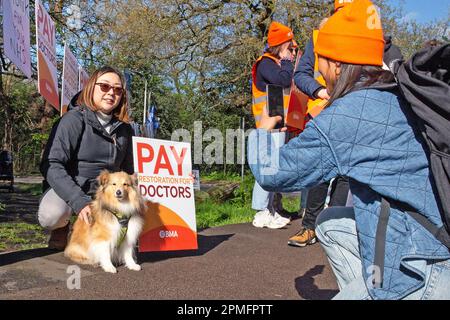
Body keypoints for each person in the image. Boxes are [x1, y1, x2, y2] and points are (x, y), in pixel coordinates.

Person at [248, 0, 450, 300]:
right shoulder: (396, 92)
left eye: (321, 61)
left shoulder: (349, 115)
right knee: (329, 222)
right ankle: (370, 287)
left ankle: (384, 291)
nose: (320, 70)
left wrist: (262, 132)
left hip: (417, 270)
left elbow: (274, 173)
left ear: (337, 64)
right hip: (434, 241)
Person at [38, 66, 134, 250]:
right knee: (52, 215)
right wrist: (78, 201)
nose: (111, 93)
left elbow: (129, 170)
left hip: (107, 191)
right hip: (73, 186)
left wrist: (174, 179)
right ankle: (62, 226)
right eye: (104, 86)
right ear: (91, 88)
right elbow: (51, 164)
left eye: (117, 89)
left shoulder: (125, 130)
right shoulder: (72, 120)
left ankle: (95, 229)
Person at [250, 21, 296, 229]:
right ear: (281, 45)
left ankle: (271, 209)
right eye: (290, 46)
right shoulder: (266, 63)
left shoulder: (273, 63)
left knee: (273, 168)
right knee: (267, 167)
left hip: (277, 123)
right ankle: (261, 211)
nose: (293, 50)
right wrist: (287, 62)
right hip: (266, 125)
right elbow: (283, 81)